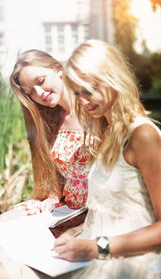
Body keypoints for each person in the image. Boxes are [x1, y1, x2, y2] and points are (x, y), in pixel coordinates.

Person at [0, 49, 91, 279]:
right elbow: (59, 176)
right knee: (5, 221)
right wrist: (52, 201)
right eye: (31, 92)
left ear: (58, 69)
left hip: (91, 210)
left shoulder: (92, 108)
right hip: (65, 208)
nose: (39, 93)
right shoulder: (50, 119)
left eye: (41, 81)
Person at [52, 39, 161, 279]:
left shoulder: (142, 135)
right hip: (92, 252)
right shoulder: (107, 133)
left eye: (88, 91)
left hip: (128, 262)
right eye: (78, 93)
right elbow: (117, 210)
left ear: (113, 80)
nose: (82, 101)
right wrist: (76, 232)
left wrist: (94, 246)